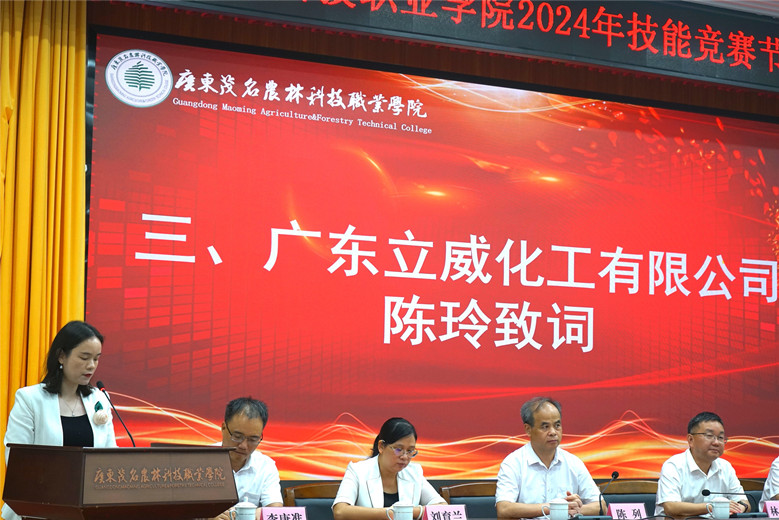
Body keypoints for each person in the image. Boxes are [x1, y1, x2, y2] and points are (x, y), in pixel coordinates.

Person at [3, 320, 117, 520]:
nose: (91, 365)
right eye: (84, 357)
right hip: (38, 510)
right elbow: (17, 461)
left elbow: (110, 458)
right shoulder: (30, 399)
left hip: (88, 511)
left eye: (96, 359)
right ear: (61, 355)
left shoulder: (99, 399)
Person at [496, 397, 603, 519]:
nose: (553, 432)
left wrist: (575, 508)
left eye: (557, 425)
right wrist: (554, 507)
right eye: (545, 427)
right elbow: (504, 509)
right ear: (528, 429)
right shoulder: (513, 463)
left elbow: (601, 507)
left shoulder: (573, 463)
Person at [332, 417, 446, 520]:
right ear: (381, 446)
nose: (405, 457)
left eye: (410, 451)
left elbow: (443, 508)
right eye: (398, 449)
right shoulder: (358, 471)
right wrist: (389, 513)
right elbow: (340, 512)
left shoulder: (414, 472)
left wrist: (407, 512)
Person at [655, 411, 749, 518]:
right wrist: (711, 507)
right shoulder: (674, 465)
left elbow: (744, 502)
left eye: (720, 437)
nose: (716, 442)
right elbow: (671, 507)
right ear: (691, 440)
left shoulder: (725, 467)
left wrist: (741, 507)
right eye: (709, 436)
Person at [210, 397, 283, 520]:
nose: (243, 446)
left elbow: (276, 510)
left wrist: (257, 514)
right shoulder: (199, 459)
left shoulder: (265, 466)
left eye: (253, 439)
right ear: (223, 428)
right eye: (237, 436)